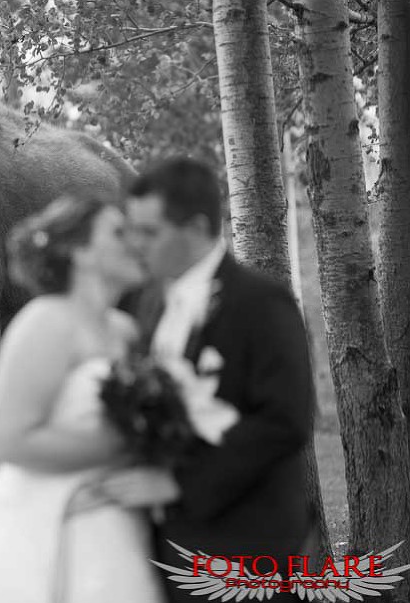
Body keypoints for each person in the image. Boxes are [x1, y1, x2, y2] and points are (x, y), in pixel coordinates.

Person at [0, 193, 174, 603]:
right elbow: (8, 439)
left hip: (115, 518)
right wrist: (120, 444)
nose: (135, 242)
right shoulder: (44, 325)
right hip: (45, 520)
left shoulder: (124, 332)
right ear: (78, 253)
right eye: (118, 232)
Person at [118, 157, 314, 602]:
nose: (137, 245)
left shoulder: (262, 302)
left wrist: (179, 484)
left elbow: (285, 422)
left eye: (150, 233)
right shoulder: (147, 307)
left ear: (196, 227)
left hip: (246, 543)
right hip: (169, 542)